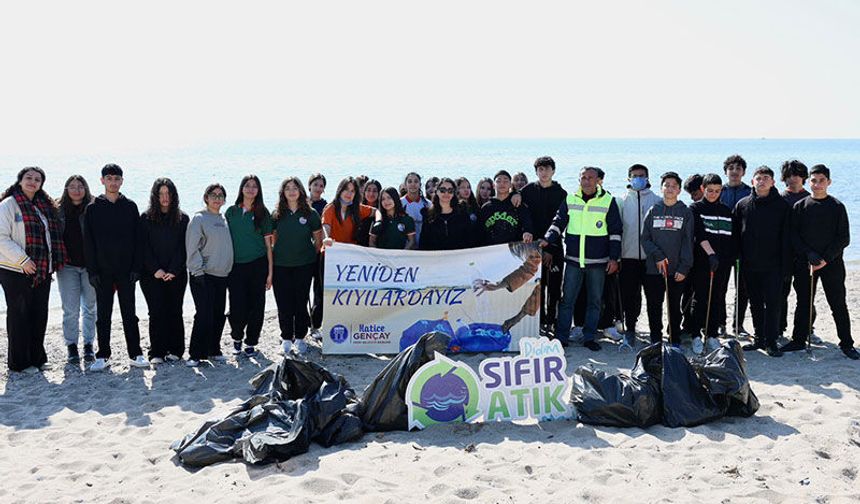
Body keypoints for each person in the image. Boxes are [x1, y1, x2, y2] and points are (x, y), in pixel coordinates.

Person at [781, 165, 858, 359]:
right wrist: (809, 254)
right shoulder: (801, 206)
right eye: (813, 181)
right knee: (804, 302)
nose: (817, 184)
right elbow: (794, 236)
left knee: (838, 303)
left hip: (831, 264)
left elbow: (843, 238)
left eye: (821, 180)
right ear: (809, 182)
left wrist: (825, 258)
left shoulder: (837, 206)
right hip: (806, 263)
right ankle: (798, 339)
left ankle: (847, 343)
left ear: (828, 182)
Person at [541, 166, 621, 351]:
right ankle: (561, 337)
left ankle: (589, 337)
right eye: (583, 177)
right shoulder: (570, 199)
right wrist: (547, 239)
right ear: (579, 180)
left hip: (598, 262)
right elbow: (558, 222)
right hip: (573, 261)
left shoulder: (608, 201)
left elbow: (615, 232)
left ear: (597, 180)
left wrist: (614, 258)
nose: (586, 181)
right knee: (567, 300)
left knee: (594, 301)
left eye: (590, 178)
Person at [0, 167, 66, 372]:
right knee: (19, 315)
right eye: (28, 178)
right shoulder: (9, 205)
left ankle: (37, 358)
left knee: (39, 314)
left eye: (37, 179)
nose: (32, 182)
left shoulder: (42, 206)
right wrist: (23, 260)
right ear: (20, 181)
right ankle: (19, 363)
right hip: (15, 270)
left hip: (41, 270)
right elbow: (1, 237)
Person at [84, 164, 148, 372]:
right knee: (103, 315)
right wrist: (92, 271)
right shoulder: (93, 208)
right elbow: (89, 243)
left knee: (129, 313)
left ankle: (136, 353)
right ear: (102, 180)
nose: (113, 182)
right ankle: (103, 355)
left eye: (117, 178)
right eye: (109, 178)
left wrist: (136, 267)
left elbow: (139, 240)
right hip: (102, 271)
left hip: (126, 270)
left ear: (122, 181)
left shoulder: (130, 206)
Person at [734, 166, 789, 357]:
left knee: (773, 304)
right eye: (758, 178)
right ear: (752, 182)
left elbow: (787, 237)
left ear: (773, 182)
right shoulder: (743, 204)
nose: (762, 181)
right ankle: (759, 338)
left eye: (766, 178)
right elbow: (736, 234)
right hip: (749, 264)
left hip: (774, 265)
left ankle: (772, 340)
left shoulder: (782, 205)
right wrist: (738, 257)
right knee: (755, 303)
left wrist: (785, 265)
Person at [139, 178, 189, 364]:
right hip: (152, 275)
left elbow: (184, 247)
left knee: (175, 311)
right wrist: (156, 270)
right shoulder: (145, 218)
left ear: (174, 195)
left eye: (168, 193)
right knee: (156, 312)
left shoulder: (183, 218)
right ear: (155, 196)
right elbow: (143, 247)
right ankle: (157, 352)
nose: (165, 197)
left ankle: (176, 350)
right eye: (161, 194)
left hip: (176, 274)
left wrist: (174, 270)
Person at [640, 172, 694, 347]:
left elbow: (688, 242)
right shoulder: (653, 210)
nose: (669, 188)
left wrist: (684, 267)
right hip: (653, 269)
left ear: (679, 190)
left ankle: (674, 338)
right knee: (654, 306)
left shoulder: (685, 212)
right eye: (666, 185)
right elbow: (645, 238)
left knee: (674, 307)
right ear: (661, 188)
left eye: (673, 186)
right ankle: (655, 338)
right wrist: (658, 255)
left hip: (676, 270)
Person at [271, 177, 323, 356]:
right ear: (283, 192)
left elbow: (318, 242)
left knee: (300, 302)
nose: (292, 191)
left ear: (301, 191)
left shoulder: (311, 214)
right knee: (284, 302)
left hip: (304, 265)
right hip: (281, 265)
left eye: (295, 188)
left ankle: (300, 337)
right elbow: (273, 241)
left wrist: (310, 260)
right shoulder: (276, 214)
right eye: (288, 188)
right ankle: (286, 338)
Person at [225, 175, 273, 357]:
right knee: (237, 305)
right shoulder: (231, 212)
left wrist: (270, 274)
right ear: (241, 188)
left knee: (256, 306)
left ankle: (251, 342)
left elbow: (269, 246)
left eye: (254, 186)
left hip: (258, 265)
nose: (251, 189)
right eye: (247, 185)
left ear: (258, 190)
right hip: (235, 266)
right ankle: (237, 337)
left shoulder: (263, 213)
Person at [186, 183, 234, 366]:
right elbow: (192, 248)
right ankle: (195, 354)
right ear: (206, 197)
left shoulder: (224, 219)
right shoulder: (199, 219)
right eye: (213, 195)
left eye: (220, 195)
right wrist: (197, 271)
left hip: (222, 275)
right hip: (203, 274)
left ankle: (213, 349)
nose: (217, 198)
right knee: (204, 314)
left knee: (218, 314)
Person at [520, 156, 567, 337]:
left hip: (554, 246)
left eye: (547, 169)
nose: (544, 172)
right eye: (540, 169)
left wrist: (549, 247)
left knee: (554, 288)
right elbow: (523, 215)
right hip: (531, 247)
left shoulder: (561, 193)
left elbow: (562, 221)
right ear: (536, 172)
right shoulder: (527, 191)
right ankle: (538, 323)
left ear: (553, 171)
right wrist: (515, 194)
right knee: (536, 287)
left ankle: (552, 322)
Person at [688, 173, 735, 354]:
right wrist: (711, 255)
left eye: (717, 191)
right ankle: (695, 336)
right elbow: (700, 234)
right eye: (709, 190)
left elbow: (731, 237)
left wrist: (728, 257)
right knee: (700, 298)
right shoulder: (696, 208)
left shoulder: (726, 211)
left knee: (717, 297)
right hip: (703, 261)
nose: (713, 194)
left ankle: (712, 335)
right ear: (702, 189)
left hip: (722, 263)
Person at [618, 164, 662, 345]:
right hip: (627, 258)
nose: (638, 178)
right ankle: (630, 330)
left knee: (654, 298)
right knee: (630, 298)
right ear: (628, 178)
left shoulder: (657, 200)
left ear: (648, 178)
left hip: (651, 259)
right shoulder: (620, 201)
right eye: (634, 176)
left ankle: (656, 334)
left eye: (641, 176)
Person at [56, 175, 96, 363]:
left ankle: (88, 345)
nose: (77, 189)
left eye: (81, 186)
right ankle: (71, 346)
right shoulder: (58, 210)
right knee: (70, 309)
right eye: (72, 186)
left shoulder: (94, 208)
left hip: (90, 266)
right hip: (67, 267)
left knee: (89, 307)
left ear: (86, 188)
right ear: (66, 189)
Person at [778, 160, 815, 340]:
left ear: (804, 177)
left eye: (798, 175)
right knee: (780, 294)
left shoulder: (811, 198)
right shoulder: (779, 199)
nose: (793, 179)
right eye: (790, 175)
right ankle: (779, 328)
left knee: (806, 295)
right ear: (784, 178)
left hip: (804, 255)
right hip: (783, 255)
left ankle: (807, 329)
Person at [720, 154, 752, 337]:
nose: (734, 172)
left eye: (738, 168)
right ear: (726, 171)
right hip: (722, 247)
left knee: (742, 289)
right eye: (731, 168)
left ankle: (737, 325)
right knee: (720, 288)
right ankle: (720, 324)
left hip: (743, 248)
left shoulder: (749, 192)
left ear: (743, 172)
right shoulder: (719, 191)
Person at [479, 170, 533, 245]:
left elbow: (527, 224)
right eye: (498, 181)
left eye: (505, 181)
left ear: (511, 185)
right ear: (493, 186)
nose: (502, 184)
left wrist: (527, 232)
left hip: (514, 250)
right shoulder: (486, 208)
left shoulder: (518, 204)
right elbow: (480, 233)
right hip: (491, 251)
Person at [420, 178, 476, 250]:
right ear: (437, 192)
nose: (446, 193)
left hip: (459, 258)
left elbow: (470, 240)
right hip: (436, 259)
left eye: (450, 190)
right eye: (443, 190)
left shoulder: (462, 214)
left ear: (454, 193)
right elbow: (423, 243)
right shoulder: (428, 215)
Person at [680, 173, 704, 337]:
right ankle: (686, 324)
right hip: (690, 258)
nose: (694, 198)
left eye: (696, 194)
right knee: (687, 293)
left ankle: (701, 325)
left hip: (706, 259)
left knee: (703, 295)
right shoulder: (691, 209)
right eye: (692, 195)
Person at [307, 173, 327, 339]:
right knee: (301, 290)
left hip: (319, 253)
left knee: (318, 290)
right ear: (309, 186)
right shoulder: (301, 203)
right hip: (302, 253)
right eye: (315, 185)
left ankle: (315, 324)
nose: (318, 188)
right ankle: (299, 325)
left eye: (321, 185)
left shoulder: (325, 206)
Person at [400, 172, 430, 246]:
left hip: (423, 245)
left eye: (416, 181)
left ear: (420, 184)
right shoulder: (399, 203)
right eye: (410, 181)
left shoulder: (428, 204)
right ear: (405, 185)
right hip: (405, 247)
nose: (413, 184)